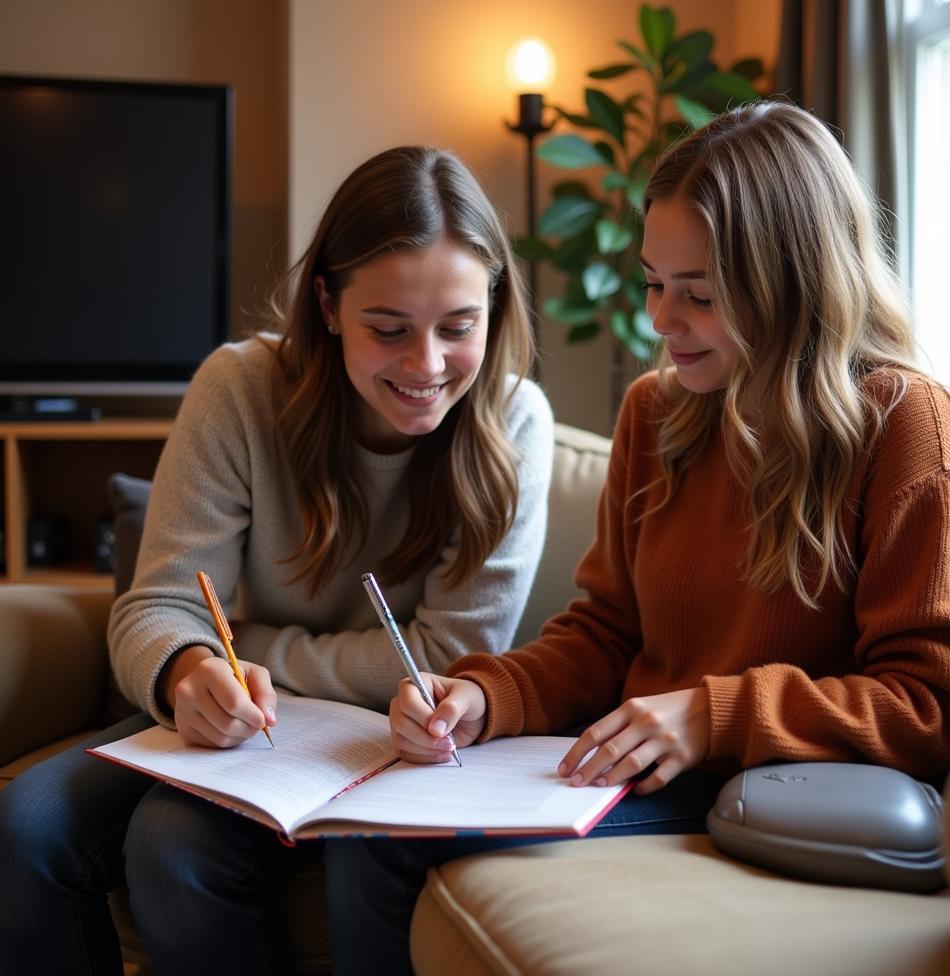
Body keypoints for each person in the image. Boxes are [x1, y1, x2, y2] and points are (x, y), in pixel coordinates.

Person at [332, 101, 950, 973]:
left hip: (769, 784)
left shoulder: (906, 423)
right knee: (371, 826)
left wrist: (711, 714)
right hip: (647, 765)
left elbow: (933, 707)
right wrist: (483, 697)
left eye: (699, 296)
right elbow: (606, 633)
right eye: (653, 282)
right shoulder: (660, 411)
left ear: (792, 283)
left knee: (379, 846)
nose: (660, 319)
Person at [0, 145, 554, 975]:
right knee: (25, 828)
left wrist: (251, 645)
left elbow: (444, 657)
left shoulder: (513, 422)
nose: (428, 366)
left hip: (396, 742)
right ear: (328, 304)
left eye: (458, 327)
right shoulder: (240, 389)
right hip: (244, 734)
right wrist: (189, 671)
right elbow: (157, 605)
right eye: (389, 329)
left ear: (494, 306)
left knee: (172, 844)